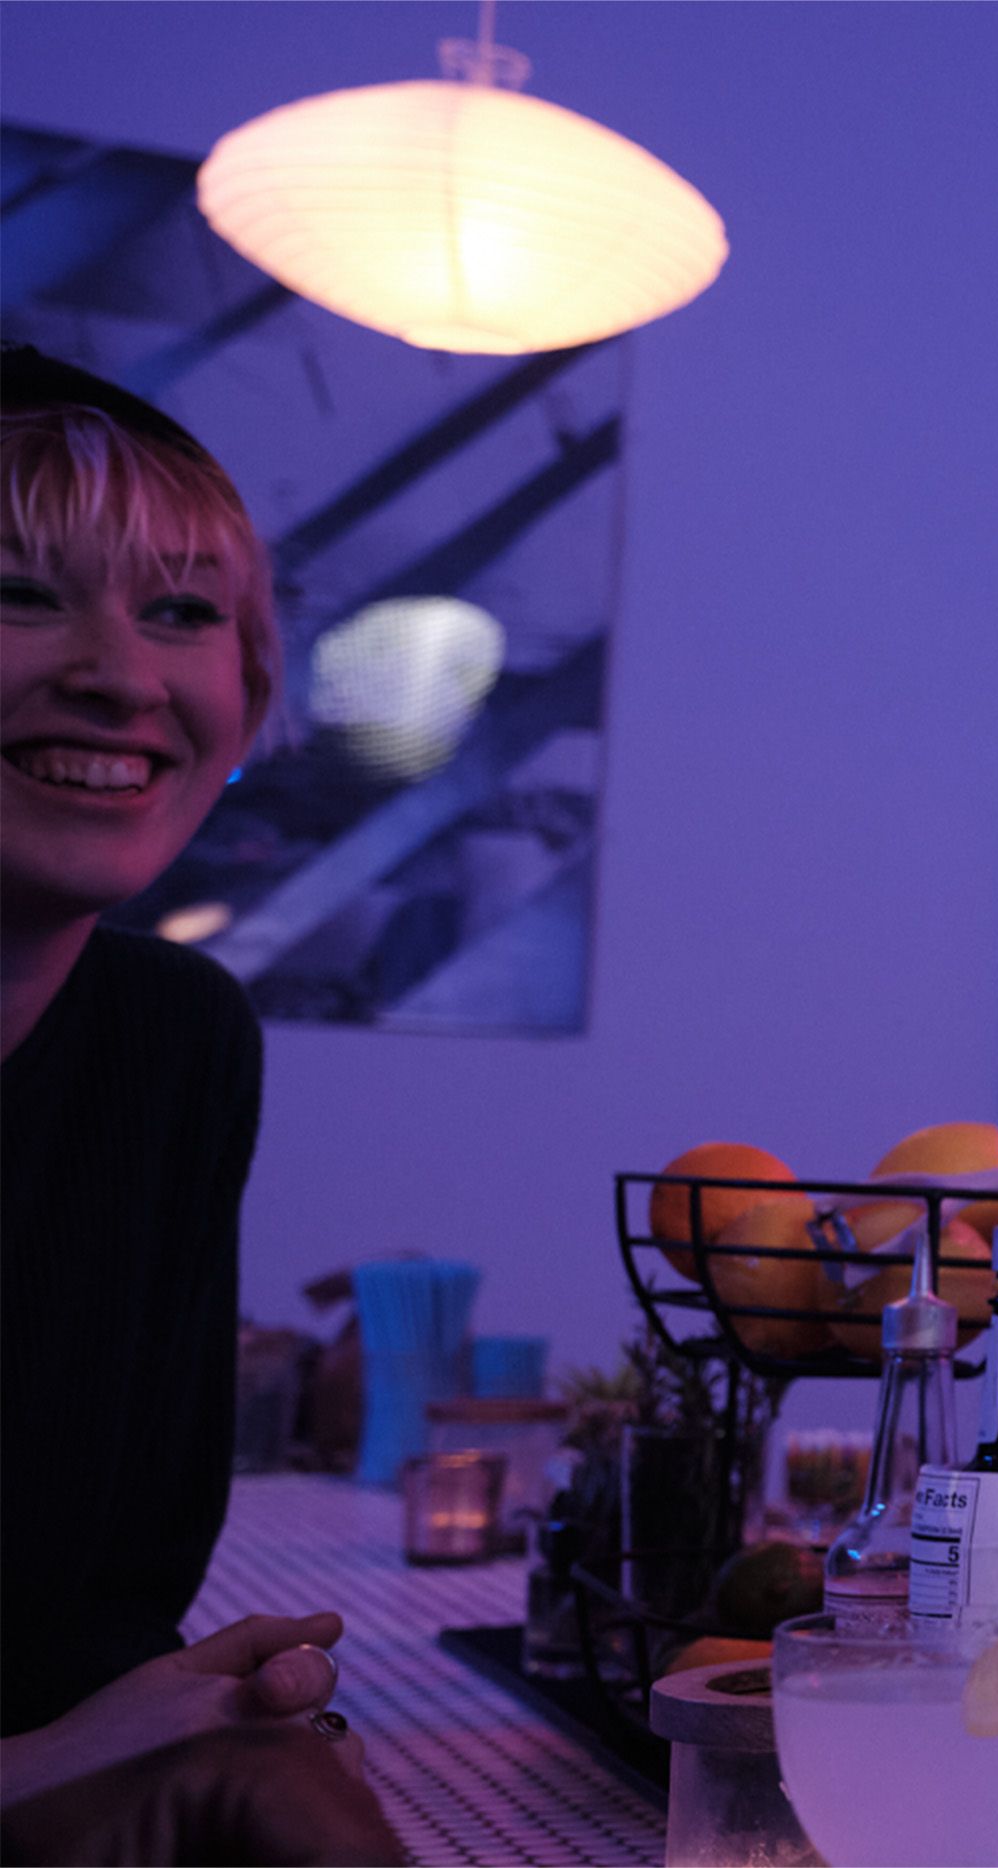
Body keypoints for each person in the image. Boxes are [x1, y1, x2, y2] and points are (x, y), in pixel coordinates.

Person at [0, 344, 396, 1862]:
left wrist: (184, 1716)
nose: (122, 675)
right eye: (22, 593)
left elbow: (98, 1620)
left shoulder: (176, 1045)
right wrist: (80, 1759)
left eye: (181, 613)